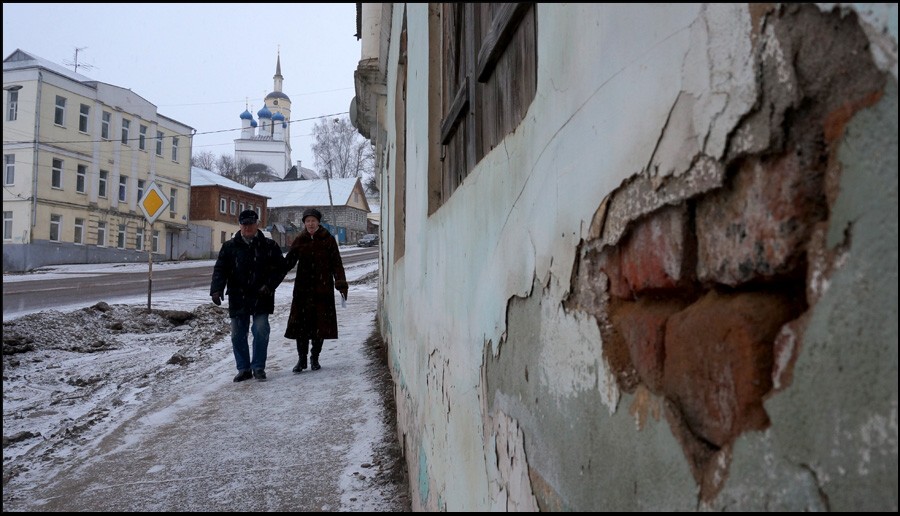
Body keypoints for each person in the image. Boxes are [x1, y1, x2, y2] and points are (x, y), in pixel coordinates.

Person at [210, 209, 286, 382]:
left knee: (260, 330)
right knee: (237, 334)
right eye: (244, 224)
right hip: (238, 295)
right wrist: (216, 289)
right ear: (240, 226)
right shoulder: (230, 247)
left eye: (251, 224)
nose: (247, 227)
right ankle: (244, 368)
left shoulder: (269, 245)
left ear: (257, 224)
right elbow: (220, 269)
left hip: (262, 295)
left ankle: (258, 367)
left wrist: (269, 286)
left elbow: (280, 269)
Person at [283, 208, 348, 373]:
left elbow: (336, 264)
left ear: (318, 222)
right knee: (301, 326)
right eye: (307, 221)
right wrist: (272, 276)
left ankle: (315, 357)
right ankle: (302, 359)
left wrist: (341, 284)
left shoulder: (328, 240)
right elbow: (288, 262)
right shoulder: (300, 239)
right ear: (304, 223)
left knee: (320, 325)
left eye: (313, 220)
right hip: (303, 290)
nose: (310, 224)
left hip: (322, 289)